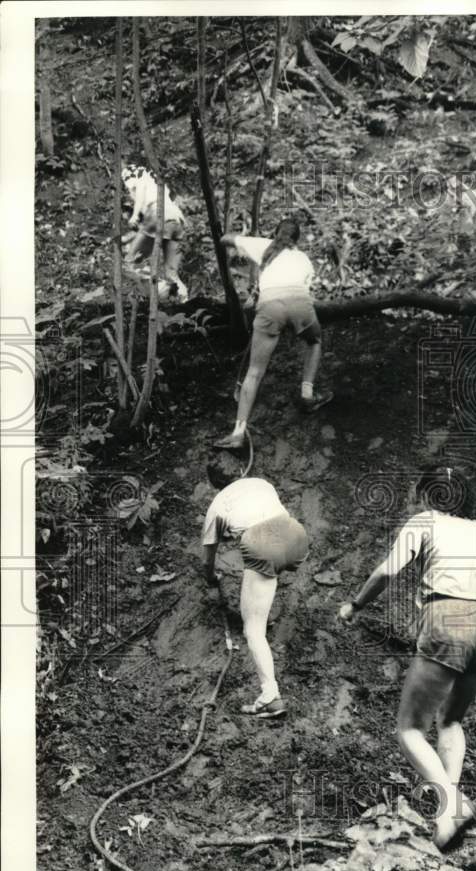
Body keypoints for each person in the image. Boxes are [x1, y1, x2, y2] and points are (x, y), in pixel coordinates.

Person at [338, 465, 476, 851]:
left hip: (447, 620)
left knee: (410, 729)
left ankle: (454, 805)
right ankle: (446, 822)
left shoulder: (424, 522)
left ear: (428, 495)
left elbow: (387, 571)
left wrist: (355, 605)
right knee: (451, 720)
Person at [201, 456, 309, 718]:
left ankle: (270, 697)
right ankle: (264, 601)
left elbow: (207, 559)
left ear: (214, 484)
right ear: (241, 469)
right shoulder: (261, 483)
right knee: (268, 567)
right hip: (297, 538)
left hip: (264, 544)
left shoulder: (217, 505)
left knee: (253, 630)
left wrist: (212, 578)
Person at [214, 218, 332, 450]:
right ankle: (307, 394)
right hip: (299, 302)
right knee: (314, 340)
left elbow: (225, 239)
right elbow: (304, 290)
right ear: (297, 239)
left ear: (275, 233)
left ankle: (238, 433)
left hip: (269, 306)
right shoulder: (303, 258)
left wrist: (234, 237)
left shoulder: (263, 245)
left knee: (254, 372)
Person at [121, 163, 189, 303]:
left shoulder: (140, 178)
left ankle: (158, 290)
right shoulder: (158, 183)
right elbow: (149, 230)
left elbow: (141, 192)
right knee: (171, 273)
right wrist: (125, 239)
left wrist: (134, 215)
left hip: (158, 214)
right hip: (178, 219)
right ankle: (185, 302)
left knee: (130, 263)